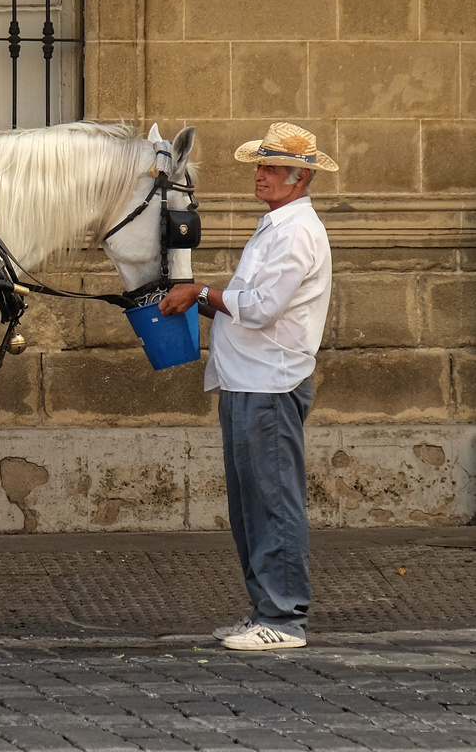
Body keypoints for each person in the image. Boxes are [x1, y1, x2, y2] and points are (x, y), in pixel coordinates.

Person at [159, 122, 336, 651]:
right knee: (251, 503)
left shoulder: (296, 231)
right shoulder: (277, 224)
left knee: (273, 500)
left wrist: (201, 292)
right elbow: (249, 300)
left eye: (269, 168)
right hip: (248, 379)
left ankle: (283, 618)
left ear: (297, 177)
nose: (259, 176)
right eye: (259, 167)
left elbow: (259, 308)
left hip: (269, 383)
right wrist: (207, 297)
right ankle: (267, 609)